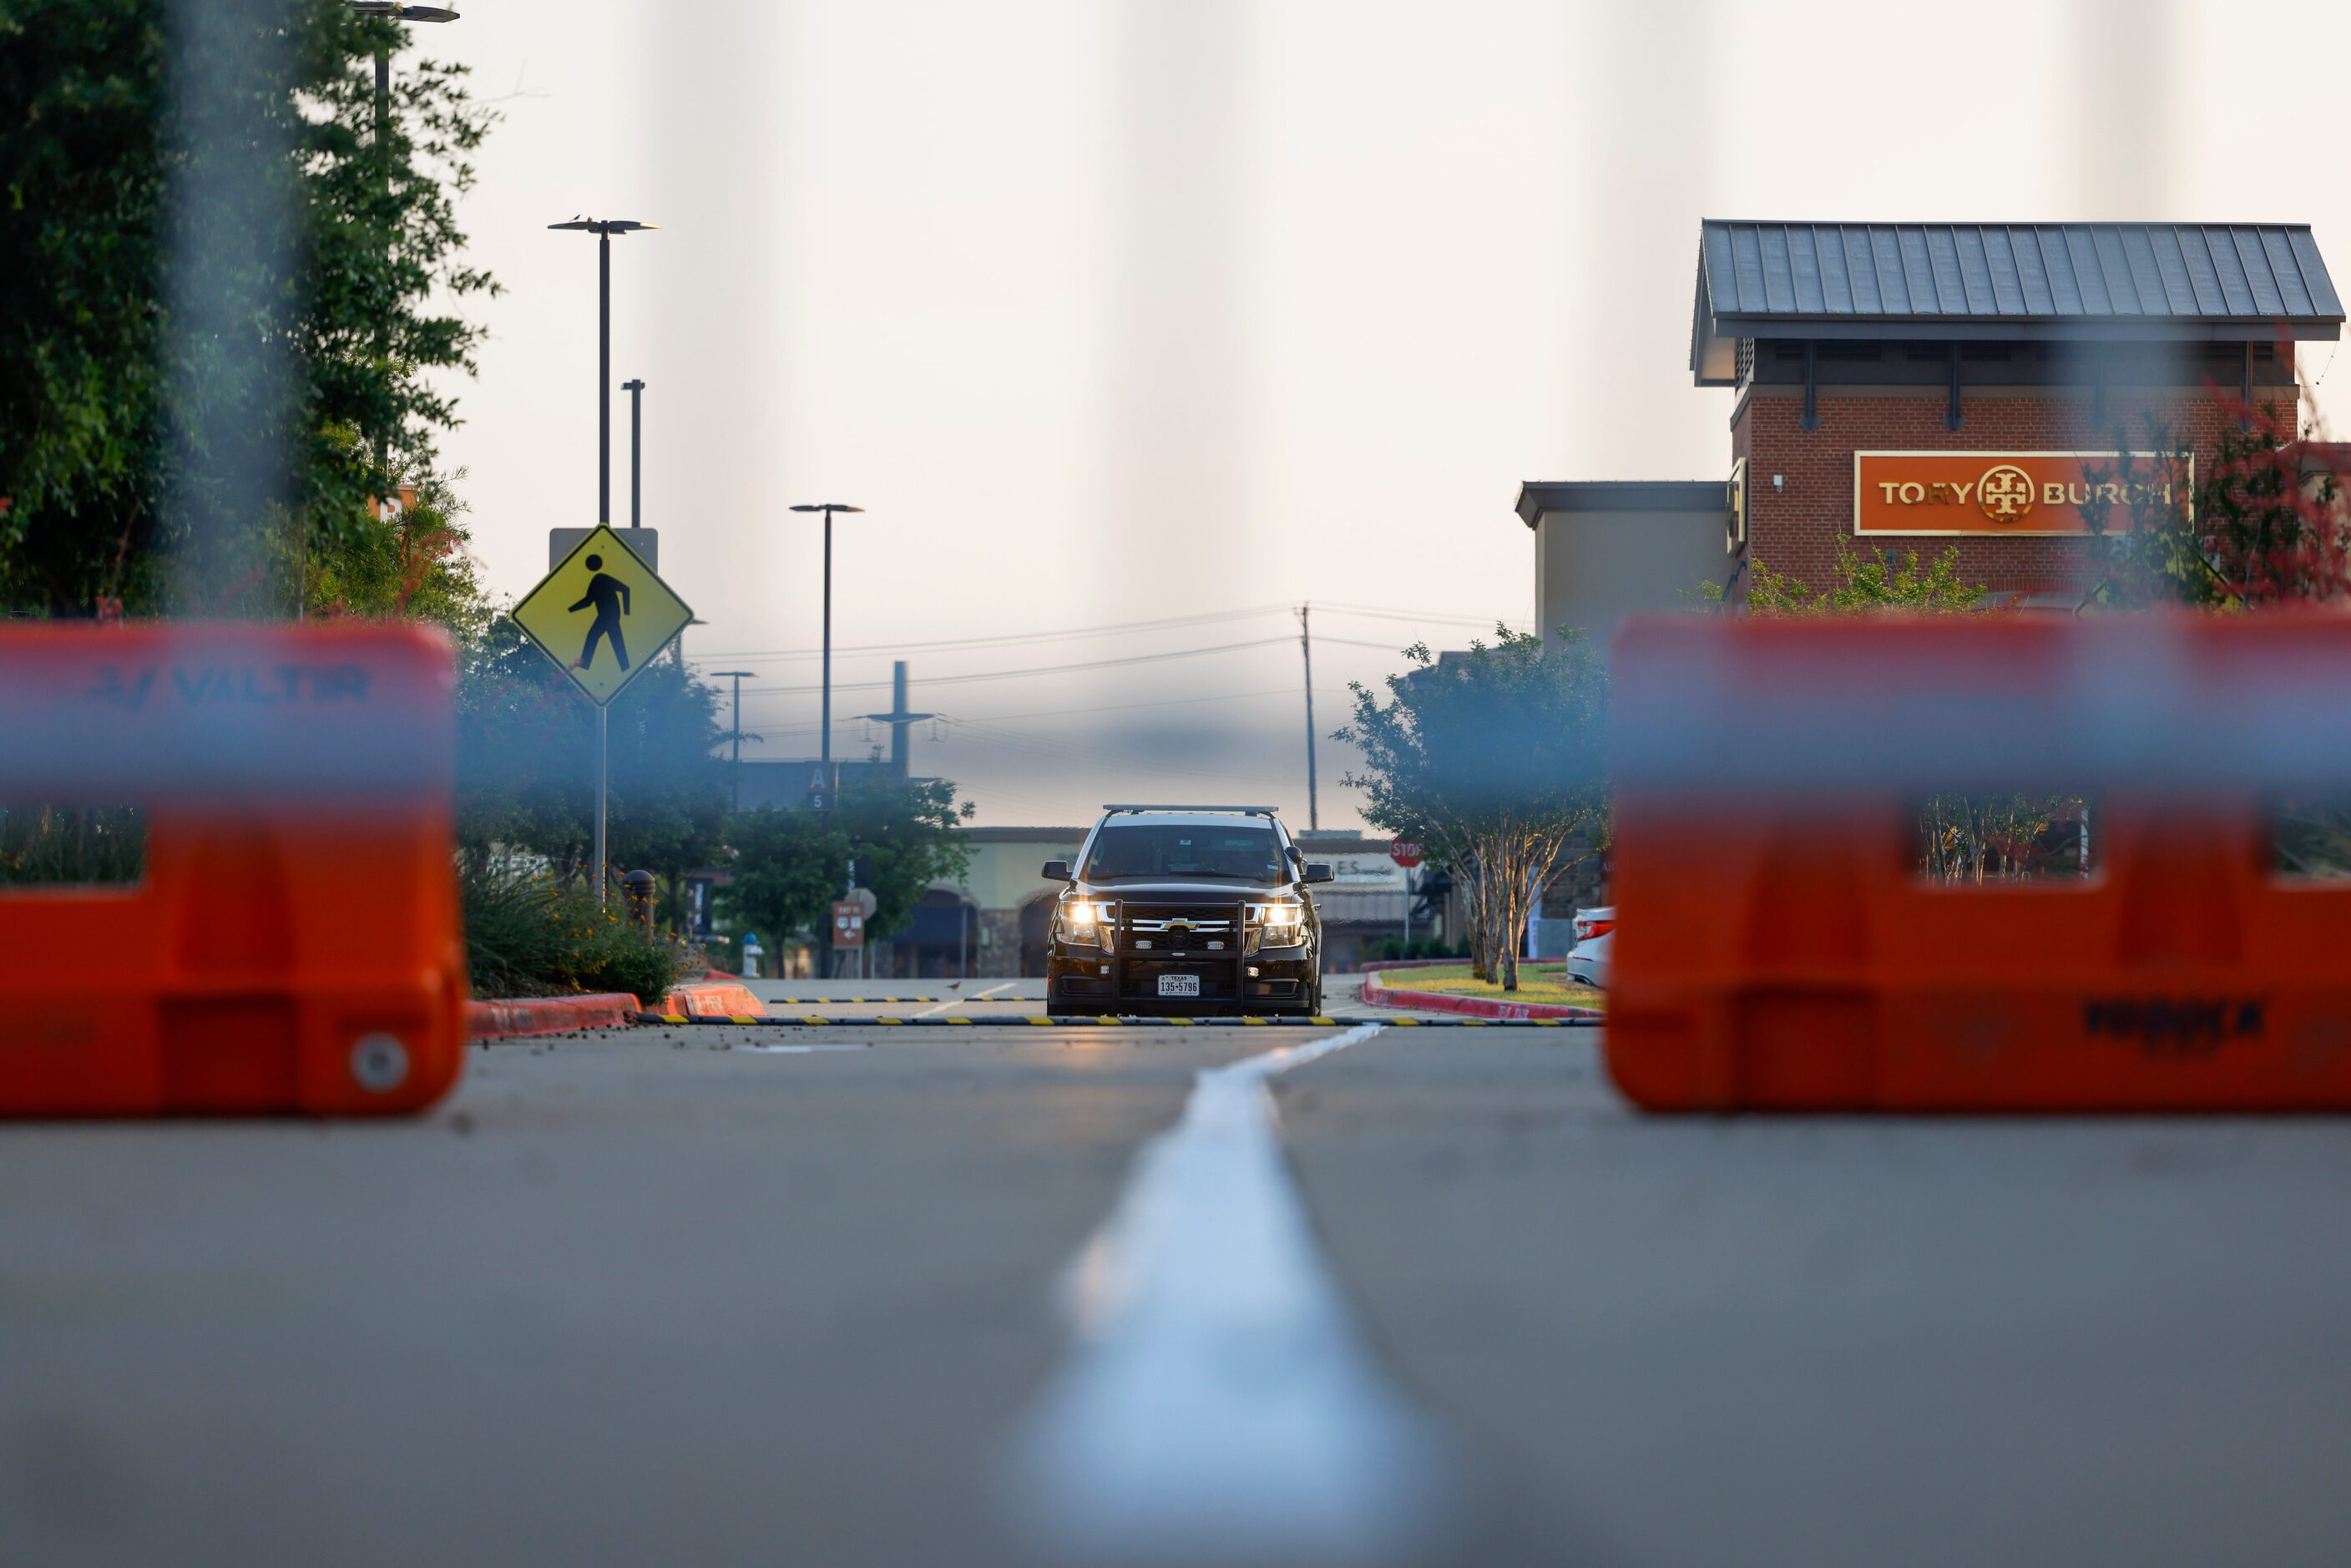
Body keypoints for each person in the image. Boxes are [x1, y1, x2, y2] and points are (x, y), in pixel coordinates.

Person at [569, 554, 631, 671]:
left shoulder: (601, 578)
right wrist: (570, 609)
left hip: (610, 615)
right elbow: (588, 601)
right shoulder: (596, 580)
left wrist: (627, 612)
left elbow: (626, 589)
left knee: (593, 636)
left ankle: (584, 666)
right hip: (606, 616)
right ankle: (625, 668)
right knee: (615, 640)